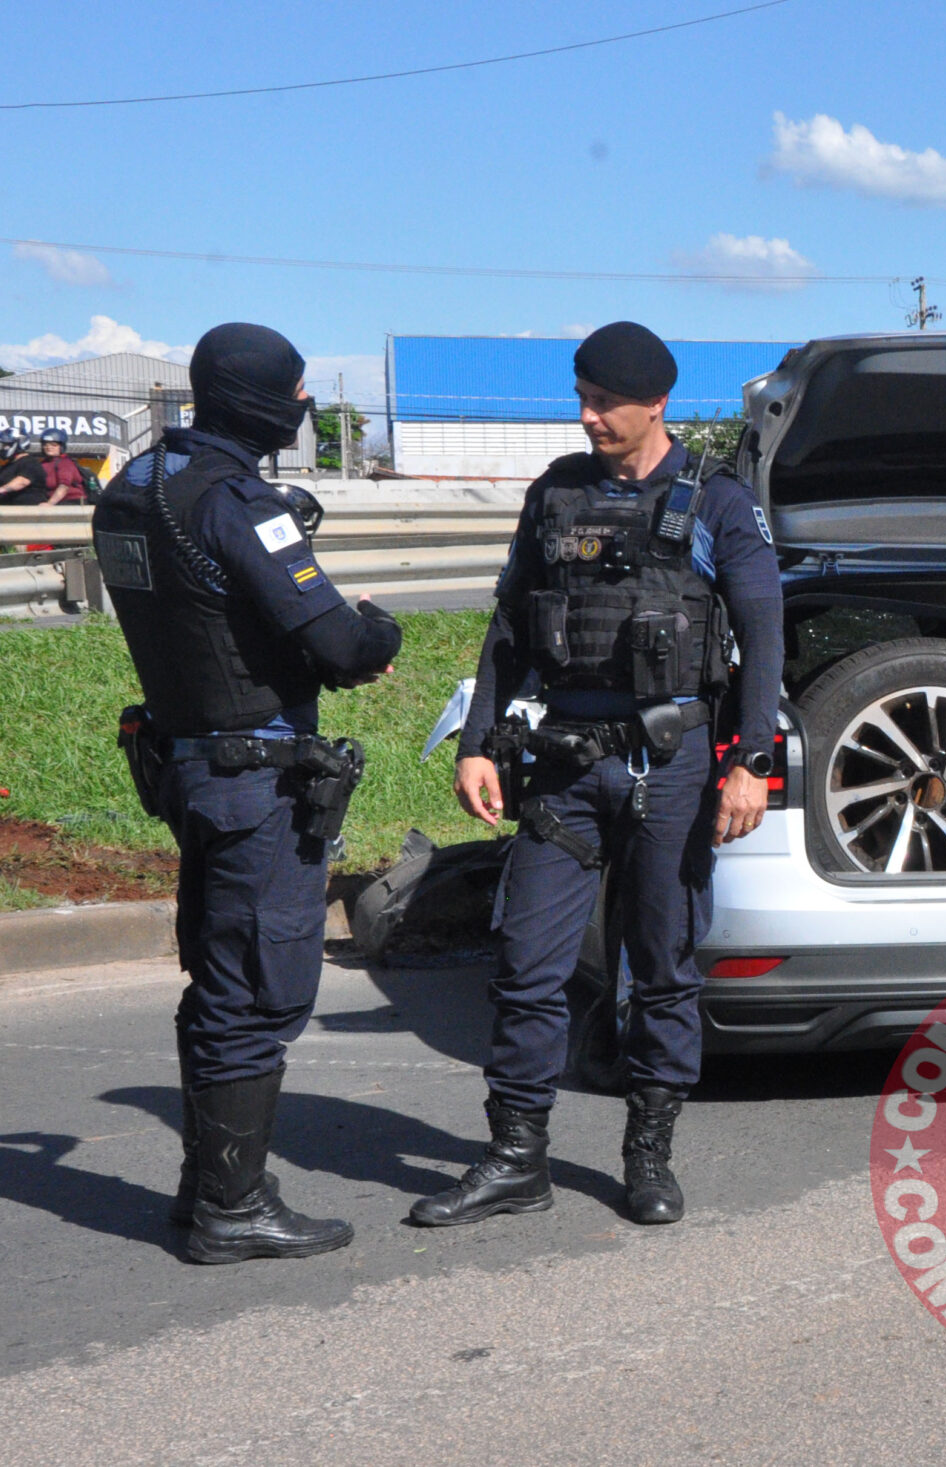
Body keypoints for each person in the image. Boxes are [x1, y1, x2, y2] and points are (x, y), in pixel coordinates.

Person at [419, 321, 783, 1230]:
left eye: (605, 402)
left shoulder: (717, 500)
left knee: (661, 968)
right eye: (582, 398)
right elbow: (510, 626)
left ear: (656, 402)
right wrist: (476, 740)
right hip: (565, 765)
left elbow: (764, 632)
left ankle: (648, 1152)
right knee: (526, 964)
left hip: (672, 762)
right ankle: (517, 1157)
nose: (588, 416)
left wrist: (753, 761)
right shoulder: (556, 493)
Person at [91, 322, 402, 1263]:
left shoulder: (137, 484)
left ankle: (207, 1186)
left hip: (189, 764)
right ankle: (233, 1207)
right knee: (258, 989)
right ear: (264, 398)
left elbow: (201, 615)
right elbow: (339, 643)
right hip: (253, 775)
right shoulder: (235, 500)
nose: (303, 405)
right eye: (298, 392)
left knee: (217, 977)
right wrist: (380, 630)